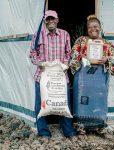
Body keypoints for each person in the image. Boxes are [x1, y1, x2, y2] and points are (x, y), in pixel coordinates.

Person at [29, 10, 77, 139]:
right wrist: (40, 63)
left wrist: (66, 62)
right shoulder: (38, 35)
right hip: (42, 75)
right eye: (48, 19)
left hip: (60, 76)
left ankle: (68, 130)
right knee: (41, 104)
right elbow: (32, 53)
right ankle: (43, 132)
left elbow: (69, 53)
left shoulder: (64, 34)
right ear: (45, 21)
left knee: (63, 102)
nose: (50, 21)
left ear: (57, 20)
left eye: (53, 19)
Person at [69, 15, 114, 136]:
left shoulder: (107, 43)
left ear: (100, 27)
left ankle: (100, 126)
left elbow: (113, 57)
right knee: (82, 100)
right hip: (83, 79)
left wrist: (107, 59)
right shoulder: (81, 41)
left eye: (95, 26)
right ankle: (81, 126)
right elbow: (73, 54)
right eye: (90, 27)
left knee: (99, 100)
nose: (93, 29)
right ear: (87, 29)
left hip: (100, 79)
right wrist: (82, 57)